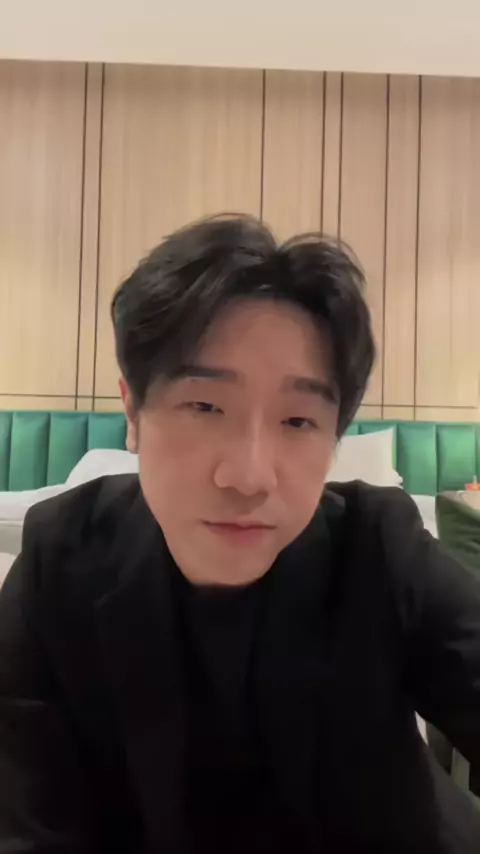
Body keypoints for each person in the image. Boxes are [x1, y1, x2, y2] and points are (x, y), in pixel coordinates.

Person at [0, 214, 479, 854]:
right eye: (204, 406)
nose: (250, 476)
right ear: (133, 411)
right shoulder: (58, 560)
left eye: (299, 421)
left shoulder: (381, 549)